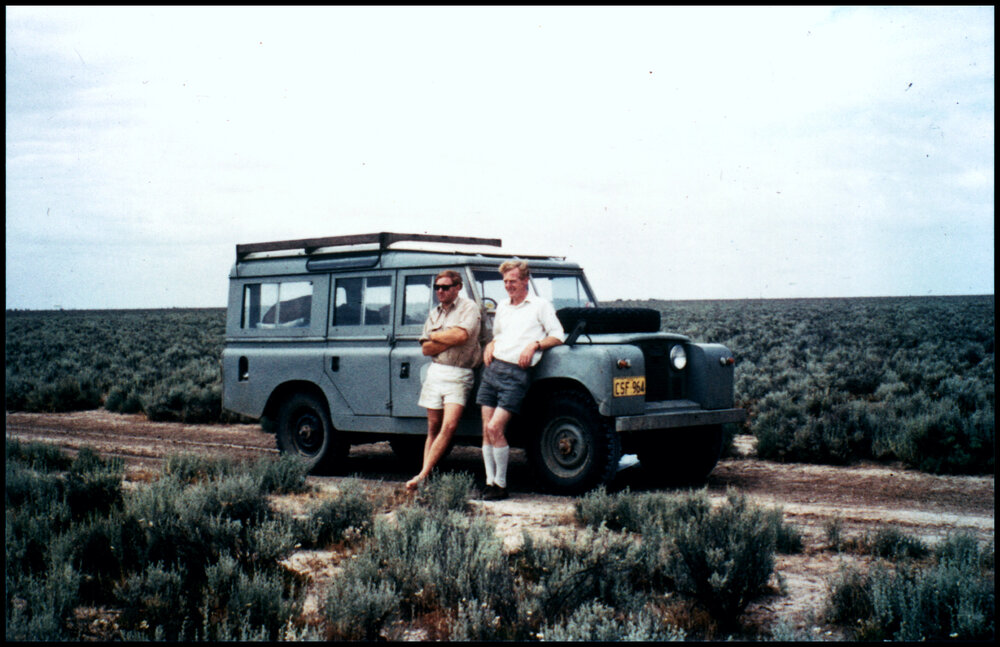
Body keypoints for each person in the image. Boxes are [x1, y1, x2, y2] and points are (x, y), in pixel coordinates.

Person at [475, 260, 565, 500]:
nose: (508, 285)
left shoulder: (540, 305)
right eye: (505, 281)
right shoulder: (503, 306)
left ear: (525, 280)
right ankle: (489, 483)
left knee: (495, 427)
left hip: (516, 373)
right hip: (493, 369)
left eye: (513, 281)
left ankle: (501, 485)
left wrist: (535, 345)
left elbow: (558, 335)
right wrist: (491, 345)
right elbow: (499, 335)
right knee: (486, 429)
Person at [405, 270, 482, 491]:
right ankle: (426, 476)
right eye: (437, 287)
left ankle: (422, 474)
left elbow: (462, 336)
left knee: (449, 426)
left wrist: (436, 336)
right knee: (433, 427)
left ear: (457, 288)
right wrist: (449, 337)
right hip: (436, 372)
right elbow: (425, 349)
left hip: (459, 373)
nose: (440, 291)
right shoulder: (434, 313)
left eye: (445, 287)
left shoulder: (469, 308)